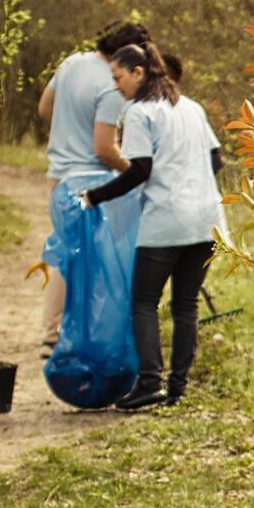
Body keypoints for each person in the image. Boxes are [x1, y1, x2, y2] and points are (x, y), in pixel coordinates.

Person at [76, 42, 226, 410]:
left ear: (138, 72)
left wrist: (94, 196)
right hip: (207, 221)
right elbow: (216, 161)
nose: (116, 86)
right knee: (185, 306)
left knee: (143, 302)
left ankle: (148, 383)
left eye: (118, 77)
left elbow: (139, 171)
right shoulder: (191, 108)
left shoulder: (141, 112)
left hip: (167, 220)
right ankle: (177, 388)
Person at [35, 22, 149, 356]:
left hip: (57, 175)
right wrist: (137, 170)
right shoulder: (113, 85)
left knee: (69, 250)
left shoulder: (71, 63)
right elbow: (103, 148)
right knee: (96, 259)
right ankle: (65, 335)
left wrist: (71, 127)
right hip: (90, 178)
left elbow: (44, 109)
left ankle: (54, 332)